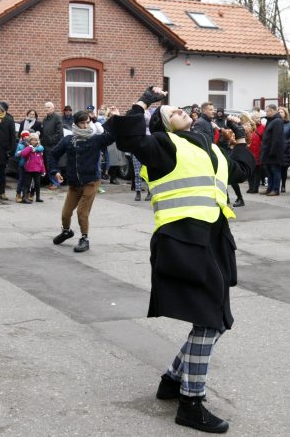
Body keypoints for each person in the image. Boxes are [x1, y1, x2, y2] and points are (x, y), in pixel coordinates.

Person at [107, 86, 254, 434]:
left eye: (178, 108)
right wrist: (143, 102)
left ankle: (172, 381)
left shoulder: (209, 148)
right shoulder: (160, 146)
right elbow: (125, 134)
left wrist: (244, 138)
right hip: (183, 242)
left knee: (216, 319)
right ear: (161, 124)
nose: (179, 111)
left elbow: (241, 171)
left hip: (214, 241)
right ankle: (191, 402)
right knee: (210, 321)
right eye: (169, 111)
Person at [51, 110, 115, 252]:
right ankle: (66, 231)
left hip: (91, 181)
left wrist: (112, 119)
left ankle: (84, 239)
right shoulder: (68, 140)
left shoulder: (96, 139)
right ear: (76, 124)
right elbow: (53, 155)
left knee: (82, 212)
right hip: (74, 182)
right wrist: (54, 171)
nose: (86, 126)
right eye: (82, 123)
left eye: (88, 122)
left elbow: (112, 136)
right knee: (66, 213)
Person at [259, 103, 285, 196]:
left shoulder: (277, 121)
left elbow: (276, 138)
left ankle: (275, 189)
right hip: (268, 150)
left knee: (275, 170)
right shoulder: (271, 120)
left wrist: (272, 151)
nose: (266, 113)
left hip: (274, 151)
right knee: (269, 170)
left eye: (267, 111)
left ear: (273, 111)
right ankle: (269, 188)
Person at [42, 101, 63, 190]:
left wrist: (50, 140)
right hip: (45, 145)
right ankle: (51, 182)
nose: (46, 109)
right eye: (45, 107)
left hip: (54, 145)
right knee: (48, 164)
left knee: (54, 164)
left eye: (48, 107)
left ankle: (56, 182)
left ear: (53, 108)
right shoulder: (45, 119)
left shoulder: (57, 117)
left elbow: (59, 133)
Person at [20, 132, 45, 203]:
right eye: (32, 140)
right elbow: (23, 154)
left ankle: (38, 197)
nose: (34, 141)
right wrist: (30, 147)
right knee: (27, 184)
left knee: (37, 184)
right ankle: (24, 197)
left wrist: (43, 170)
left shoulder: (39, 150)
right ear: (30, 141)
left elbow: (41, 161)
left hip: (37, 170)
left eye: (35, 140)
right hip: (29, 170)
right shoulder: (28, 148)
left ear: (38, 141)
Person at [246, 110, 264, 193]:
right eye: (256, 118)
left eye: (259, 117)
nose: (258, 119)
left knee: (256, 171)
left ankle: (255, 188)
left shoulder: (263, 127)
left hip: (258, 151)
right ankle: (251, 187)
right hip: (249, 151)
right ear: (252, 119)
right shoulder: (248, 127)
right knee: (250, 171)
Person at [14, 130, 31, 202]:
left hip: (30, 165)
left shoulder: (31, 144)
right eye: (25, 136)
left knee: (28, 181)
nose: (26, 137)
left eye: (27, 135)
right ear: (23, 137)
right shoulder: (20, 145)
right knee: (21, 179)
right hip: (22, 164)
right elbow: (16, 155)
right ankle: (18, 194)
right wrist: (20, 153)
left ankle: (27, 194)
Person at [278, 106, 290, 193]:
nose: (280, 113)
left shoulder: (289, 125)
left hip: (285, 149)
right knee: (276, 168)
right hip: (276, 148)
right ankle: (276, 185)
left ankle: (283, 185)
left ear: (285, 114)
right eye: (278, 112)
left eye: (281, 112)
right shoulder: (275, 123)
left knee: (283, 169)